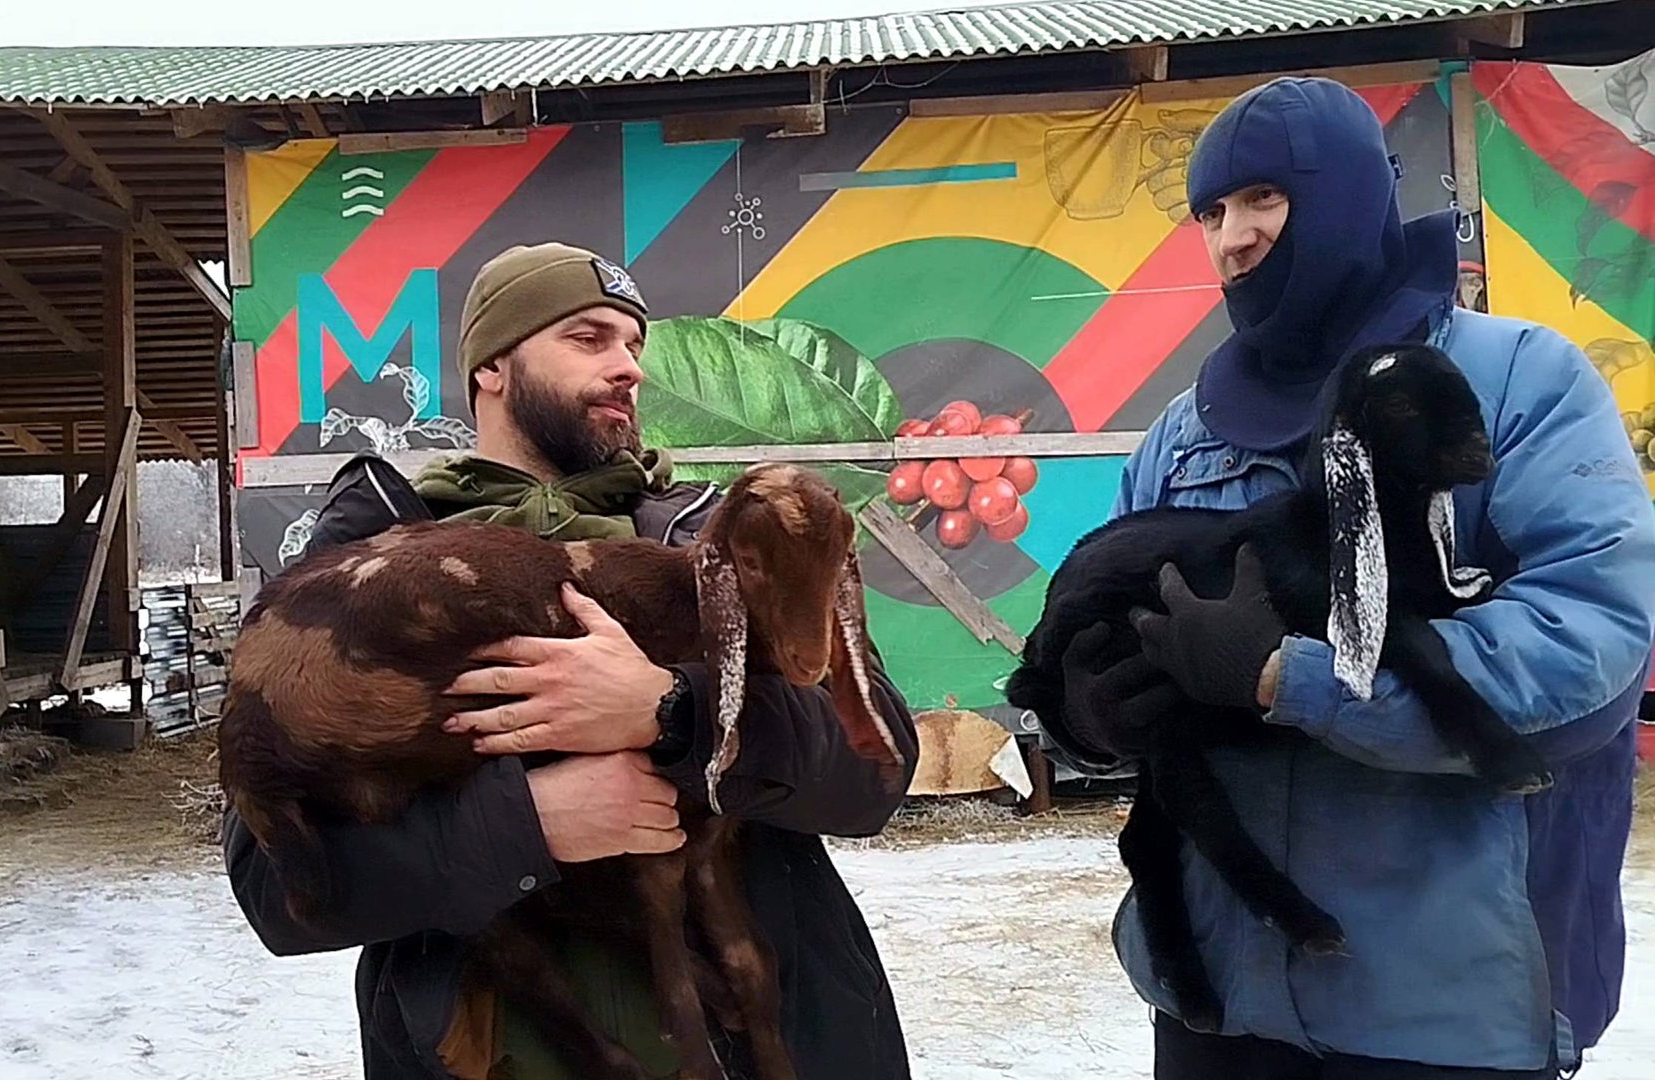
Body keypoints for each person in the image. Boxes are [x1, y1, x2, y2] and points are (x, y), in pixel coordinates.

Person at [1036, 77, 1655, 1079]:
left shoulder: (1516, 383)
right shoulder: (1184, 435)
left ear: (1347, 200)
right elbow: (1101, 626)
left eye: (1265, 199)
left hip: (1448, 1010)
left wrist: (1295, 677)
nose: (1232, 237)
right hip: (1219, 1014)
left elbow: (1592, 648)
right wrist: (1089, 711)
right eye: (1211, 211)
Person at [220, 241, 919, 1080]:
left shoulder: (722, 536)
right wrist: (530, 823)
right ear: (493, 367)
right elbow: (279, 893)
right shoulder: (360, 562)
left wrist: (671, 711)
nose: (627, 367)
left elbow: (877, 771)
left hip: (762, 1047)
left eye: (634, 345)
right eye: (589, 339)